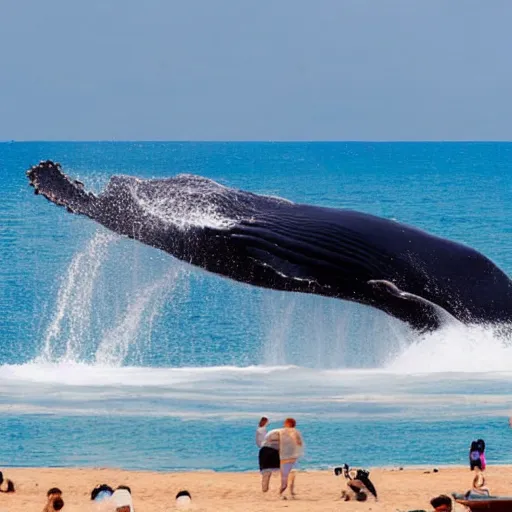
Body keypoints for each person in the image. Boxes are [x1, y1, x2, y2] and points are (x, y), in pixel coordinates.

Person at [265, 417, 304, 499]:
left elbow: (271, 438)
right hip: (293, 458)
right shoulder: (294, 431)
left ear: (287, 424)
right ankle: (291, 493)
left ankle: (281, 494)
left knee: (285, 478)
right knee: (292, 476)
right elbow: (299, 442)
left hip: (284, 458)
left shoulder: (282, 431)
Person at [258, 424, 280, 492]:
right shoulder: (283, 435)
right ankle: (282, 489)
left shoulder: (273, 433)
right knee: (283, 471)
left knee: (266, 473)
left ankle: (264, 490)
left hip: (264, 451)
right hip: (270, 451)